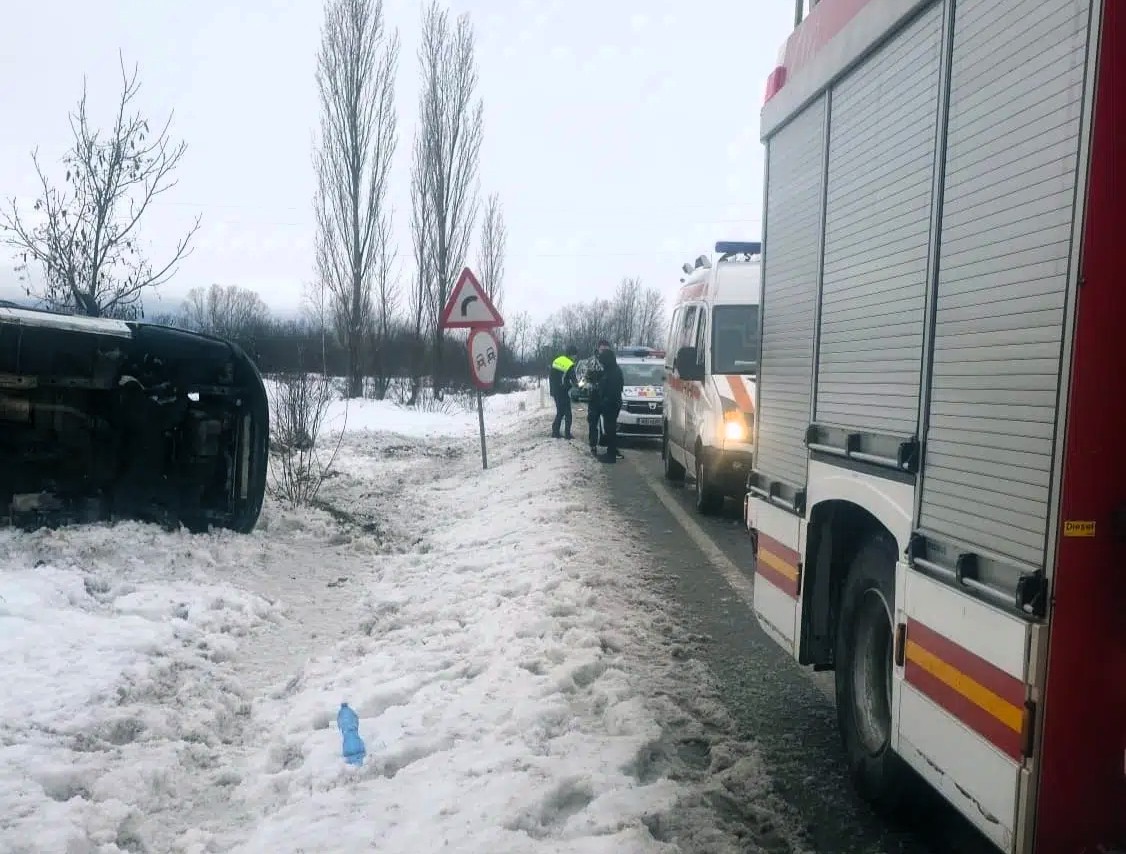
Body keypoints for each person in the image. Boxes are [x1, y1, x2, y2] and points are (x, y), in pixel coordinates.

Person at [594, 347, 624, 463]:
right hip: (610, 403)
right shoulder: (610, 370)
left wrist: (605, 402)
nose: (601, 363)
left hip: (611, 404)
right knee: (609, 429)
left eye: (603, 361)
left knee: (610, 430)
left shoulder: (614, 372)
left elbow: (613, 390)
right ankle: (611, 452)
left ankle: (611, 456)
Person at [549, 345, 579, 438]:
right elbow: (574, 380)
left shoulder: (557, 360)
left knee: (560, 412)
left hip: (555, 390)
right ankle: (567, 434)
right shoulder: (569, 364)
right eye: (575, 355)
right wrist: (579, 385)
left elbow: (552, 376)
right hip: (563, 391)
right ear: (572, 355)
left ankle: (555, 431)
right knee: (568, 414)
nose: (576, 357)